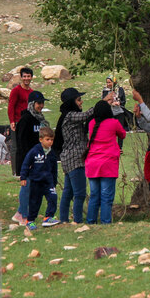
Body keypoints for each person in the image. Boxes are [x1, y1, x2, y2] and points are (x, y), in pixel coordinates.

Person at [53, 87, 99, 225]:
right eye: (78, 100)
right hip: (75, 160)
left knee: (68, 192)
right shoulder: (70, 115)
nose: (81, 102)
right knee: (79, 194)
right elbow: (86, 115)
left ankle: (64, 220)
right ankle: (77, 221)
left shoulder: (66, 115)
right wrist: (103, 102)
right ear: (71, 102)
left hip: (68, 159)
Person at [84, 100, 127, 224]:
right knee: (106, 197)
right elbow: (123, 134)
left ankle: (91, 221)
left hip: (92, 163)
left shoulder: (92, 123)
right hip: (108, 163)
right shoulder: (113, 123)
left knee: (94, 195)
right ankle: (105, 222)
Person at [13, 90, 48, 223]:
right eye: (38, 103)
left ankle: (21, 212)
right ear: (32, 104)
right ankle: (22, 214)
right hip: (27, 160)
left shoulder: (39, 119)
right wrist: (28, 161)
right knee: (26, 186)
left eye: (42, 103)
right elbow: (21, 142)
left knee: (32, 187)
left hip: (37, 159)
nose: (41, 106)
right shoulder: (26, 119)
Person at [20, 126, 60, 230]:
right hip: (36, 181)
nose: (50, 142)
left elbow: (54, 169)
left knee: (53, 198)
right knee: (34, 202)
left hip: (48, 182)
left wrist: (54, 181)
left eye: (52, 140)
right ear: (41, 139)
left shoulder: (52, 153)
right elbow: (25, 164)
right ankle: (30, 221)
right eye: (47, 139)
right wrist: (23, 177)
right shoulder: (34, 151)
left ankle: (48, 217)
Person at [7, 67, 34, 176]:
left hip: (28, 123)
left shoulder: (32, 92)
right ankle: (15, 171)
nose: (26, 78)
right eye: (24, 76)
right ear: (21, 77)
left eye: (28, 76)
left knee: (27, 146)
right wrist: (12, 121)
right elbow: (11, 106)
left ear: (31, 77)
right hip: (18, 122)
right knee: (15, 146)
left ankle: (26, 169)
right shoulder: (16, 90)